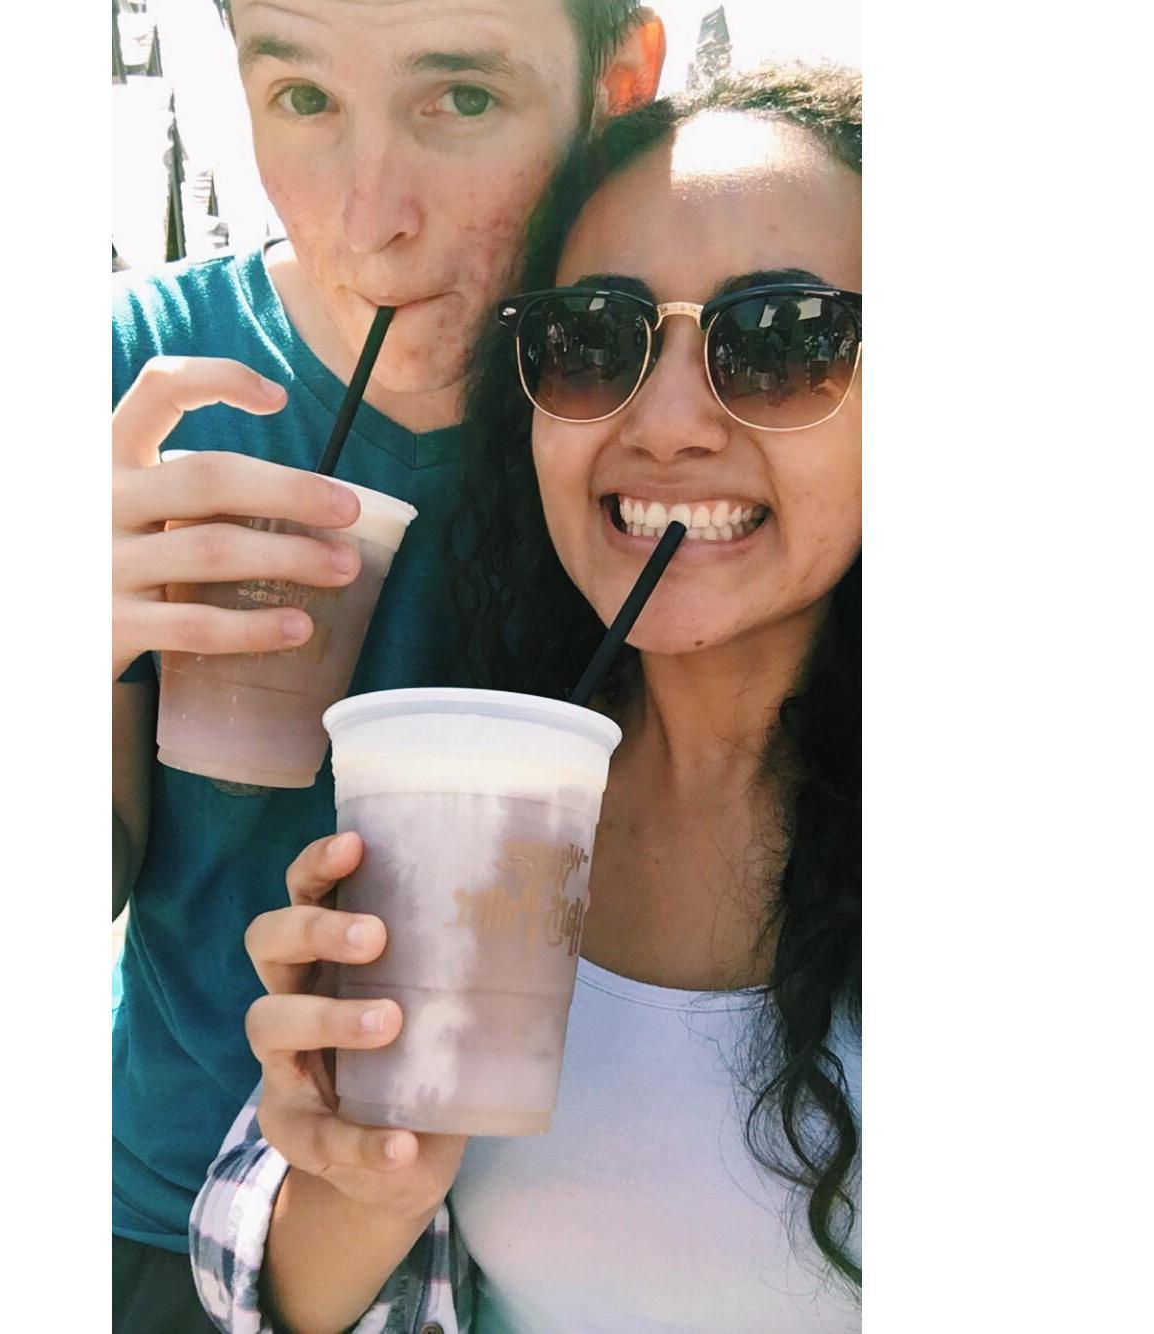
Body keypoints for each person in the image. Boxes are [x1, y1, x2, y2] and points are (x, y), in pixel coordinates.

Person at [189, 62, 862, 1334]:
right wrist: (365, 1181)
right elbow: (268, 1294)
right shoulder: (465, 788)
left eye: (782, 342)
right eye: (593, 339)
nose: (662, 423)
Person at [111, 1, 666, 1328]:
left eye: (459, 101)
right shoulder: (145, 385)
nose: (370, 220)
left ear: (618, 85)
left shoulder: (685, 418)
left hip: (571, 1244)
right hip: (173, 1221)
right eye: (301, 99)